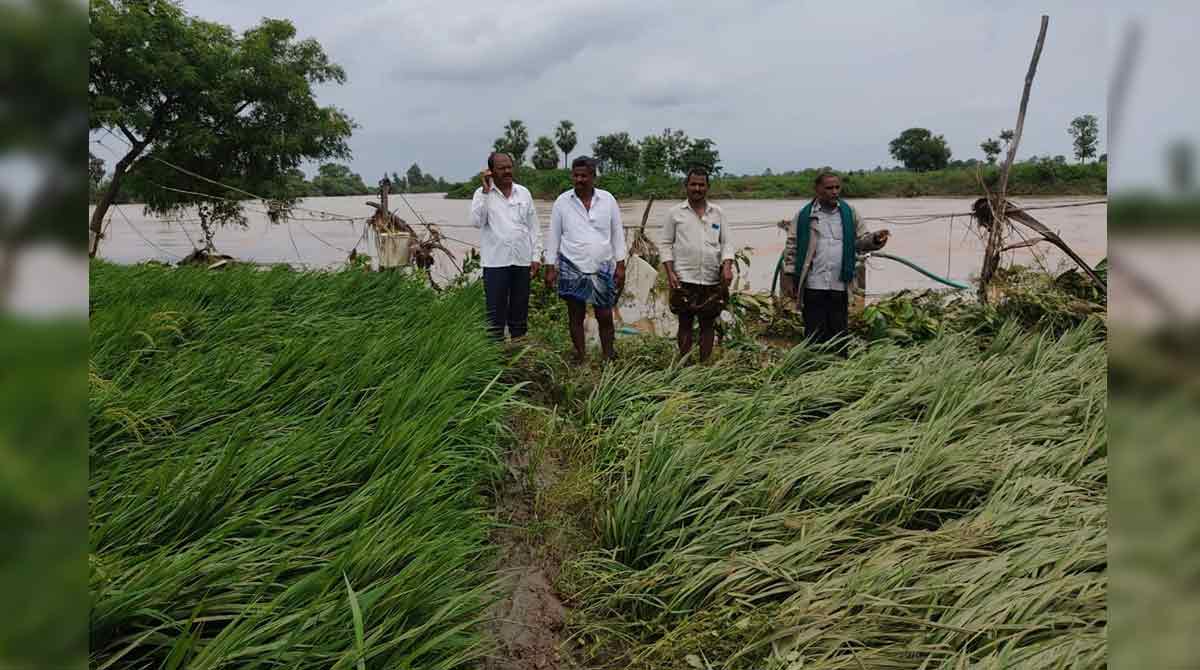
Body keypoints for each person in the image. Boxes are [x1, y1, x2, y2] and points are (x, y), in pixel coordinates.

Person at [781, 172, 889, 348]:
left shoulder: (850, 213)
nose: (834, 192)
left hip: (840, 283)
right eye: (829, 188)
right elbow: (792, 247)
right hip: (813, 283)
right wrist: (790, 277)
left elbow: (862, 241)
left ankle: (839, 370)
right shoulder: (804, 216)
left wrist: (875, 240)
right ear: (817, 190)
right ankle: (813, 369)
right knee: (814, 333)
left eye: (837, 187)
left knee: (839, 331)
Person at [544, 156, 626, 363]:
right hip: (572, 266)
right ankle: (581, 356)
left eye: (584, 175)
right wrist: (550, 267)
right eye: (576, 175)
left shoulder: (608, 200)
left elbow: (617, 234)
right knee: (575, 315)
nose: (579, 179)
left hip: (602, 267)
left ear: (593, 177)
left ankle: (608, 356)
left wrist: (621, 264)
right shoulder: (562, 202)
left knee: (605, 315)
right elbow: (553, 236)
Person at [660, 167, 734, 362]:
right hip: (683, 277)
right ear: (686, 186)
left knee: (707, 324)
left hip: (711, 278)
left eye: (702, 184)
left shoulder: (718, 213)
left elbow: (727, 243)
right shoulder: (675, 213)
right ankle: (685, 366)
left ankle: (704, 367)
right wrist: (670, 274)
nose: (697, 188)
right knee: (685, 323)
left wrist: (727, 266)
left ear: (708, 187)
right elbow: (666, 244)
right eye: (693, 184)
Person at [470, 152, 542, 341]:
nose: (507, 171)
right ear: (491, 172)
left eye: (509, 167)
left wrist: (536, 256)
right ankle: (496, 360)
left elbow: (534, 227)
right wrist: (486, 192)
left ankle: (519, 357)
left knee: (519, 315)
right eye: (501, 168)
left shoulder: (524, 193)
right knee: (495, 317)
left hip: (521, 262)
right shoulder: (481, 194)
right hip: (495, 264)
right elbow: (477, 222)